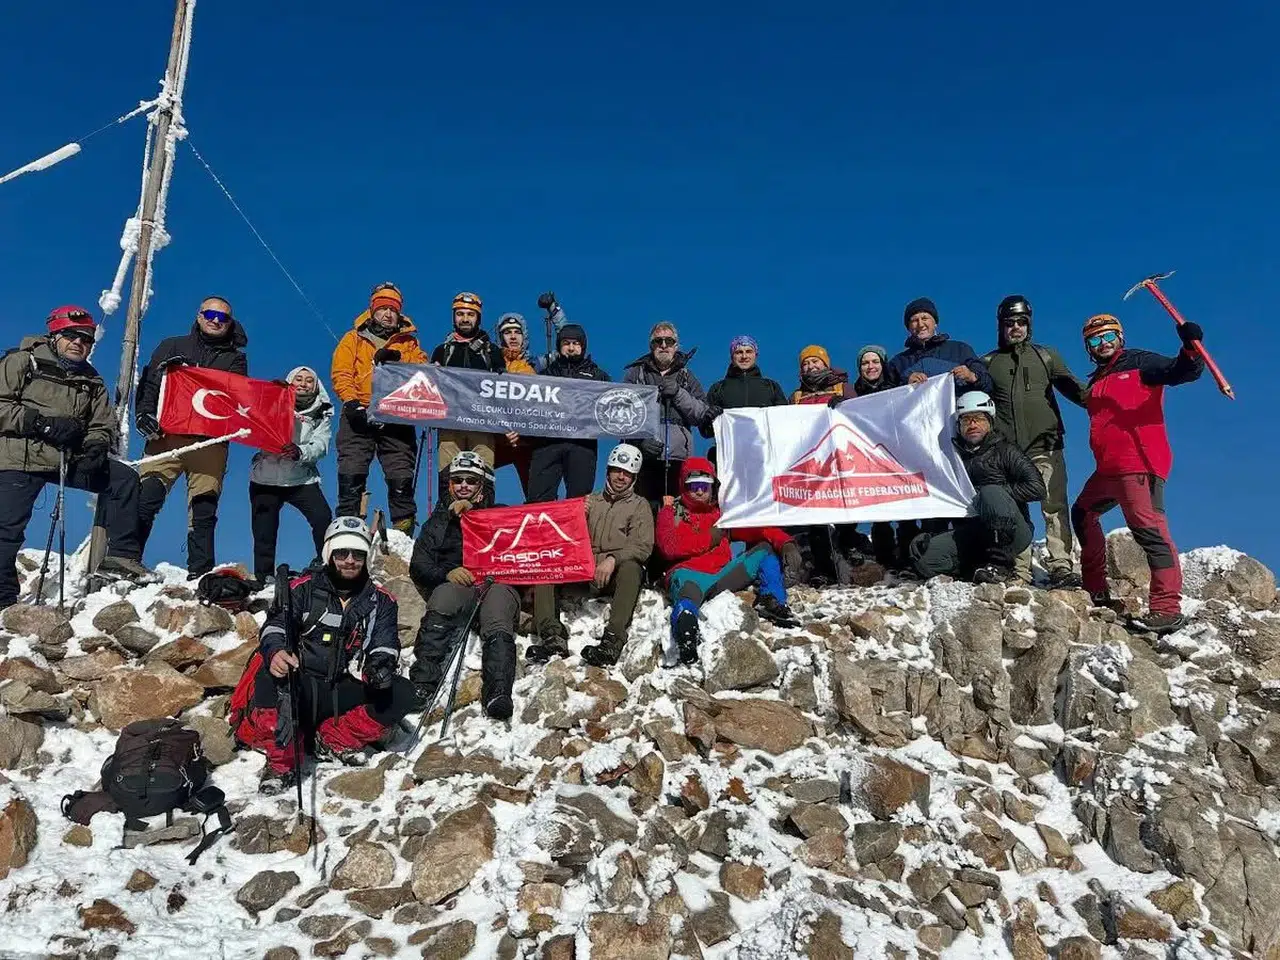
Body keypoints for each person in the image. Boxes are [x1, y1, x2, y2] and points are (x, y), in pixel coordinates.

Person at [233, 517, 413, 794]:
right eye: (342, 553)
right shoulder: (301, 589)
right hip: (300, 685)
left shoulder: (382, 600)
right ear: (330, 554)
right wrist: (277, 652)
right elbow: (275, 627)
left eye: (358, 554)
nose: (350, 560)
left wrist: (380, 666)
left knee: (400, 692)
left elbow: (384, 642)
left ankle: (333, 738)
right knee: (270, 676)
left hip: (341, 689)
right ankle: (282, 763)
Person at [0, 307, 147, 608]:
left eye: (86, 339)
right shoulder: (21, 361)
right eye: (71, 335)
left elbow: (101, 423)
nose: (79, 343)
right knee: (6, 528)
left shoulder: (91, 380)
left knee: (123, 480)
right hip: (19, 456)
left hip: (67, 458)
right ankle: (3, 598)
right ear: (54, 335)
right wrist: (40, 422)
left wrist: (96, 446)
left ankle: (121, 560)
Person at [1071, 313, 1204, 633]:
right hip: (1108, 469)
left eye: (1108, 337)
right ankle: (1095, 588)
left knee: (1150, 532)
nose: (1103, 344)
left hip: (1138, 464)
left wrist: (1190, 346)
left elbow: (1182, 372)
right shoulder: (1097, 378)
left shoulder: (1141, 363)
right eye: (1095, 340)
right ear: (1088, 347)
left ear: (1120, 337)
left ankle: (1166, 607)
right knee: (1082, 513)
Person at [135, 295, 249, 578]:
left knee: (204, 508)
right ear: (199, 316)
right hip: (167, 436)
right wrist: (144, 415)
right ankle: (127, 557)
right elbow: (150, 382)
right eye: (210, 314)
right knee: (145, 497)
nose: (215, 320)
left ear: (229, 323)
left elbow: (236, 397)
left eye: (223, 317)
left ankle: (199, 572)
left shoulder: (235, 359)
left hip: (209, 442)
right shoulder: (172, 346)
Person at [982, 295, 1088, 587]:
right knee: (1015, 511)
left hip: (1047, 445)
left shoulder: (1046, 356)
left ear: (1029, 325)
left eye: (1021, 322)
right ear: (1001, 327)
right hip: (1009, 452)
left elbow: (1078, 391)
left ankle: (1061, 565)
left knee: (1053, 505)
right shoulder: (990, 363)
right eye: (1009, 323)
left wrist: (1109, 398)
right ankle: (1020, 570)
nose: (1016, 327)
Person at [656, 457, 802, 664]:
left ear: (712, 487)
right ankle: (686, 634)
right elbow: (669, 547)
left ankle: (772, 600)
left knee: (764, 549)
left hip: (723, 575)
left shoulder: (722, 515)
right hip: (689, 574)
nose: (699, 491)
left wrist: (785, 542)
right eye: (694, 486)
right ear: (683, 485)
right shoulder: (670, 513)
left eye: (704, 486)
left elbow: (755, 529)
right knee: (688, 595)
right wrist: (710, 537)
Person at [409, 452, 519, 720]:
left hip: (497, 583)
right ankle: (422, 683)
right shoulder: (437, 521)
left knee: (497, 615)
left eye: (471, 480)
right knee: (444, 599)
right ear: (449, 484)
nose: (464, 486)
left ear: (482, 485)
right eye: (457, 480)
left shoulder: (501, 512)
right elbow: (419, 564)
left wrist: (479, 518)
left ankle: (498, 693)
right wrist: (446, 573)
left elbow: (525, 538)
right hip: (461, 584)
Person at [526, 443, 653, 667]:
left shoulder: (639, 505)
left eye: (627, 473)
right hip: (583, 570)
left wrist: (613, 560)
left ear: (634, 477)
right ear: (608, 471)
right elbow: (562, 539)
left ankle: (613, 639)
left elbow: (642, 546)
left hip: (613, 575)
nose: (621, 477)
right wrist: (575, 517)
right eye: (617, 470)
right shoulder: (590, 501)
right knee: (548, 564)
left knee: (632, 568)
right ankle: (551, 635)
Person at [910, 391, 1047, 584]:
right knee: (924, 556)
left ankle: (1001, 566)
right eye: (966, 420)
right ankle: (972, 571)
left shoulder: (1006, 450)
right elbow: (944, 499)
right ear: (958, 426)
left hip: (1013, 533)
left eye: (978, 419)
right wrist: (931, 535)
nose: (972, 425)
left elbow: (1037, 488)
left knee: (990, 492)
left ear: (990, 422)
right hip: (974, 533)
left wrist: (992, 495)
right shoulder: (952, 459)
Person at [330, 282, 426, 535]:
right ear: (372, 311)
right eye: (382, 308)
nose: (388, 314)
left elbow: (423, 373)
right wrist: (351, 404)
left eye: (393, 309)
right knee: (352, 474)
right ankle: (349, 534)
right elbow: (342, 373)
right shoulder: (353, 338)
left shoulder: (409, 343)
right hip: (358, 412)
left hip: (396, 417)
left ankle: (402, 537)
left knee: (401, 478)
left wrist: (398, 360)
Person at [248, 366, 334, 585]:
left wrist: (301, 451)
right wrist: (270, 396)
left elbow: (322, 444)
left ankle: (325, 564)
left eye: (309, 381)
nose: (303, 383)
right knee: (264, 528)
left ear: (316, 387)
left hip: (301, 477)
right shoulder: (272, 402)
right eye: (299, 379)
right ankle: (263, 575)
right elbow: (253, 422)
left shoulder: (321, 413)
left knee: (322, 517)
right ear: (290, 381)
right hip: (266, 477)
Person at [623, 322, 710, 513]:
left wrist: (679, 393)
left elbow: (702, 414)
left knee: (677, 514)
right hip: (643, 457)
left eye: (668, 341)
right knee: (643, 513)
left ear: (676, 346)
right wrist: (640, 441)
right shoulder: (636, 374)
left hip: (678, 458)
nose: (663, 345)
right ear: (651, 346)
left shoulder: (687, 376)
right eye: (658, 341)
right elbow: (623, 415)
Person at [430, 292, 506, 501]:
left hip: (482, 423)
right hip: (449, 424)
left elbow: (504, 389)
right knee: (448, 476)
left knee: (483, 474)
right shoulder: (442, 350)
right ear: (454, 317)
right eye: (460, 314)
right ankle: (445, 520)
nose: (465, 319)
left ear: (478, 318)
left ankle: (484, 518)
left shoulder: (491, 351)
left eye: (470, 314)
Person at [527, 323, 611, 503]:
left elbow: (614, 403)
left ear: (583, 346)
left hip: (582, 444)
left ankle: (574, 530)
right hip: (548, 442)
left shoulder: (597, 376)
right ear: (559, 346)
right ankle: (542, 530)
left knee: (579, 500)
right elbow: (527, 403)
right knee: (538, 497)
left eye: (576, 343)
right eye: (566, 343)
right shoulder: (545, 374)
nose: (571, 348)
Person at [850, 344, 901, 568]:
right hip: (867, 456)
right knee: (878, 511)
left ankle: (906, 558)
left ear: (883, 364)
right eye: (865, 363)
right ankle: (884, 559)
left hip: (895, 454)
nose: (870, 367)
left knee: (904, 506)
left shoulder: (898, 389)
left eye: (874, 362)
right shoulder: (853, 394)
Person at [887, 297, 993, 395]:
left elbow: (988, 384)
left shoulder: (960, 349)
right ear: (908, 327)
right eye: (914, 320)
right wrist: (905, 384)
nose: (920, 324)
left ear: (935, 323)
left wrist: (972, 376)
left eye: (925, 318)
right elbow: (886, 400)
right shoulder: (898, 363)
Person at [701, 336, 788, 453]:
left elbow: (784, 423)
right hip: (730, 456)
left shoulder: (771, 387)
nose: (744, 356)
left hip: (764, 456)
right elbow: (705, 432)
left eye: (749, 351)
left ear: (755, 355)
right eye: (739, 352)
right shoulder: (718, 389)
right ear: (732, 356)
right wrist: (708, 418)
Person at [493, 312, 535, 497]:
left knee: (537, 489)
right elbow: (481, 403)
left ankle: (539, 522)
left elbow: (566, 343)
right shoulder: (491, 363)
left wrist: (555, 312)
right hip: (497, 438)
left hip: (525, 439)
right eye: (507, 332)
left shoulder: (535, 366)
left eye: (517, 332)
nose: (512, 336)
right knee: (476, 474)